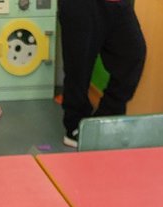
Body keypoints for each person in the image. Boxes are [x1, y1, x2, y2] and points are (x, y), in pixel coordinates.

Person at [58, 0, 147, 148]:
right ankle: (76, 126)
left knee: (133, 54)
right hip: (81, 5)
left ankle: (106, 119)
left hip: (118, 4)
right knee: (78, 68)